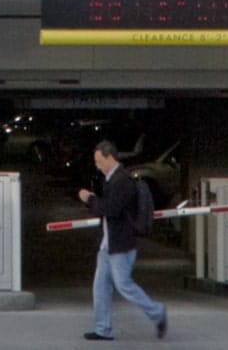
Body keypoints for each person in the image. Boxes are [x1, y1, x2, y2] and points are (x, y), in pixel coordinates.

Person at [76, 139, 166, 340]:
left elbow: (110, 209)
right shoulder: (112, 179)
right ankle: (102, 329)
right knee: (100, 287)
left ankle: (157, 312)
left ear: (109, 157)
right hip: (108, 244)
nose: (97, 166)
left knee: (124, 286)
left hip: (121, 244)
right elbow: (106, 208)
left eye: (99, 161)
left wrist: (89, 199)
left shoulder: (122, 180)